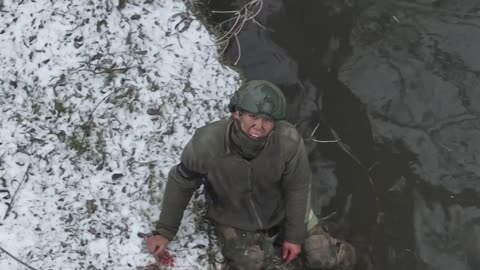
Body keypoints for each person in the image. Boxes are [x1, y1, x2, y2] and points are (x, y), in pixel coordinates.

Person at [146, 80, 356, 269]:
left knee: (325, 258)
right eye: (253, 117)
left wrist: (294, 235)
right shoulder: (208, 143)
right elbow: (181, 181)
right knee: (251, 262)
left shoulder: (288, 140)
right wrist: (165, 231)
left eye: (268, 120)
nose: (259, 126)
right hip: (234, 215)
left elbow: (298, 187)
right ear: (237, 113)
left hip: (281, 208)